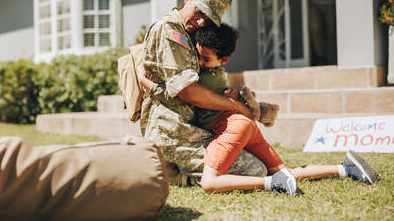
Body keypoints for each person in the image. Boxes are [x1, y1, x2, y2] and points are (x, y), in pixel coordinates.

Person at [141, 23, 381, 195]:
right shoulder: (217, 74)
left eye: (205, 59)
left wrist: (148, 84)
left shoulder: (202, 79)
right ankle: (344, 167)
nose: (199, 63)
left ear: (223, 60)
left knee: (210, 182)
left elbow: (182, 94)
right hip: (242, 125)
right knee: (286, 170)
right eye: (197, 56)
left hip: (230, 127)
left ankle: (272, 185)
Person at [139, 0, 268, 185]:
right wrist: (234, 106)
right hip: (172, 132)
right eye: (200, 12)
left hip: (192, 127)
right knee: (255, 170)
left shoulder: (188, 33)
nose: (201, 22)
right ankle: (174, 175)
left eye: (208, 19)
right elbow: (189, 92)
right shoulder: (170, 31)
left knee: (256, 159)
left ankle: (170, 167)